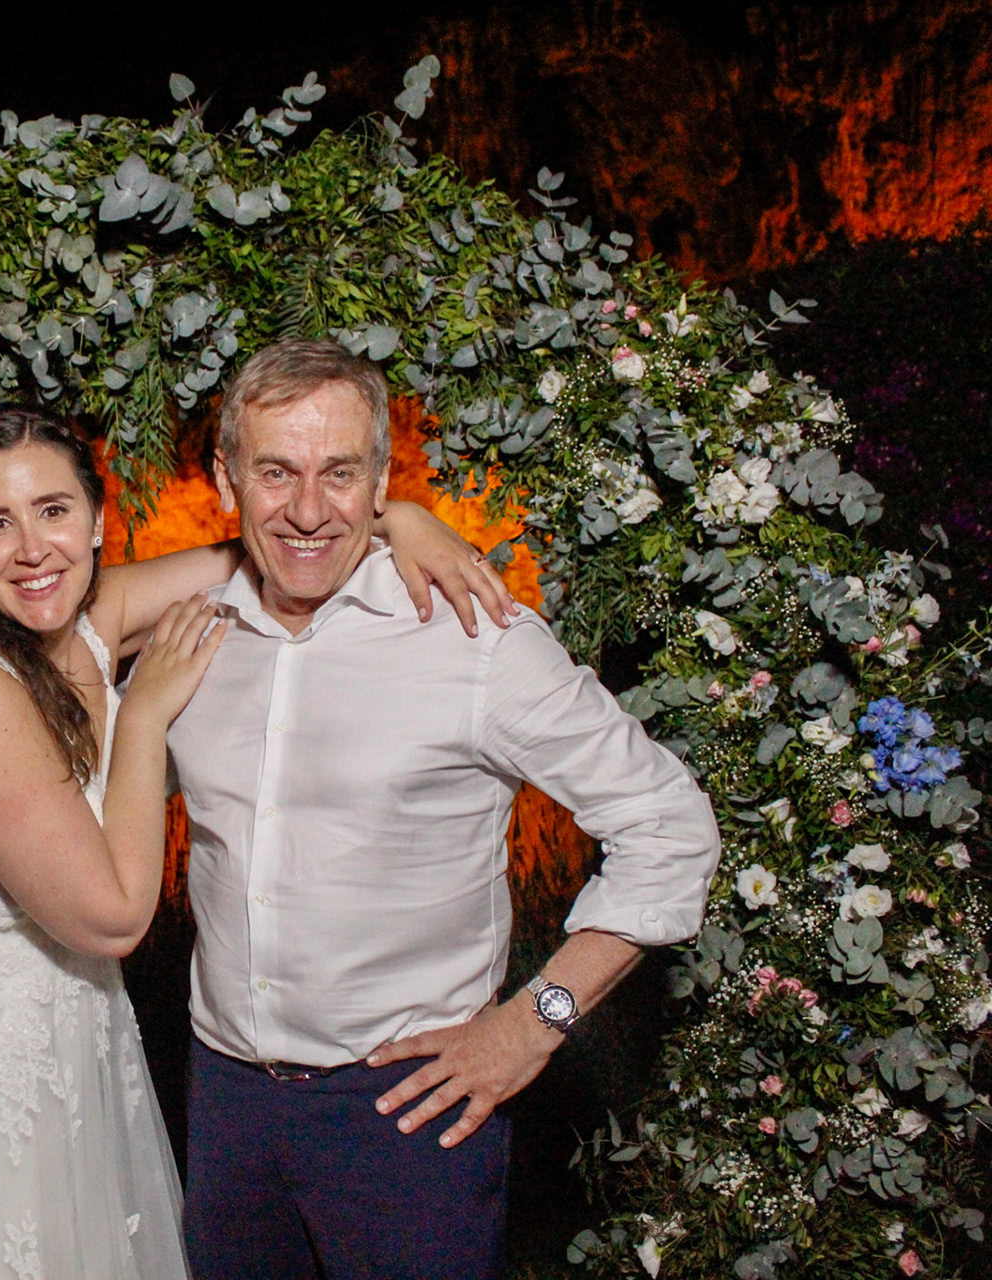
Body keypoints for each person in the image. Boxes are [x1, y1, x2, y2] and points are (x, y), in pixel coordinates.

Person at [0, 405, 514, 1279]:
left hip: (56, 1037)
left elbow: (267, 549)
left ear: (98, 520)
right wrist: (143, 713)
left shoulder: (92, 617)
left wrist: (399, 518)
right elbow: (112, 917)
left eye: (53, 511)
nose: (32, 549)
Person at [167, 339, 723, 1279]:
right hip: (226, 1105)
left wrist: (532, 1023)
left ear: (382, 479)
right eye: (277, 472)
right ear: (227, 479)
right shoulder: (195, 633)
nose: (309, 509)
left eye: (340, 472)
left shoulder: (474, 639)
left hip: (406, 1114)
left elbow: (670, 825)